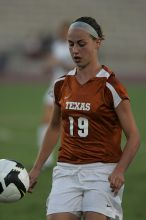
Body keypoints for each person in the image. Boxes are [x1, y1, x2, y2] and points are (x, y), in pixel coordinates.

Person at [29, 16, 140, 220]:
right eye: (70, 44)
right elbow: (54, 127)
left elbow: (134, 136)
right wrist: (36, 168)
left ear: (97, 43)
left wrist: (120, 170)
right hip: (66, 172)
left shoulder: (110, 86)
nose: (75, 51)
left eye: (81, 44)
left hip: (102, 172)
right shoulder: (61, 84)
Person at [37, 21, 74, 167]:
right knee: (46, 120)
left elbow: (78, 66)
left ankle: (73, 158)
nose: (62, 32)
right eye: (61, 30)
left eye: (65, 30)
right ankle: (46, 159)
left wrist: (59, 62)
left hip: (71, 87)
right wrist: (48, 65)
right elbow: (46, 68)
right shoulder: (55, 45)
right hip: (54, 86)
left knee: (70, 124)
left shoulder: (74, 45)